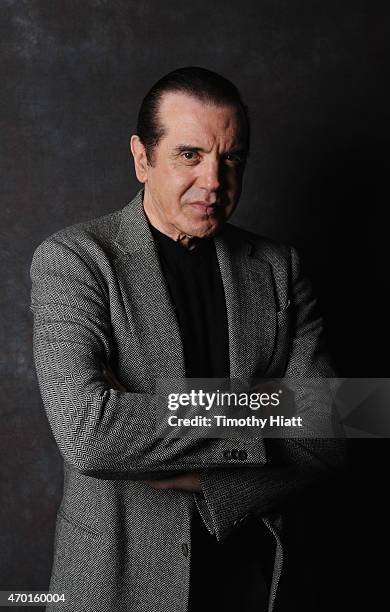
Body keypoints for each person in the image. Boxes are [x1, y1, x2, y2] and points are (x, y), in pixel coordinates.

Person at [30, 66, 346, 612]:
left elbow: (341, 424)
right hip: (118, 583)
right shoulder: (75, 260)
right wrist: (271, 412)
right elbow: (85, 433)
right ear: (142, 157)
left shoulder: (278, 266)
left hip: (256, 580)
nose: (214, 181)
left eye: (231, 159)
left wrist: (206, 479)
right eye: (189, 155)